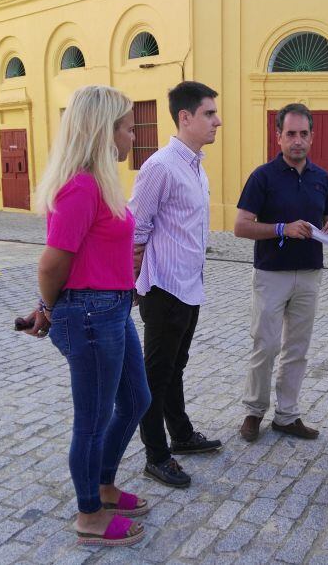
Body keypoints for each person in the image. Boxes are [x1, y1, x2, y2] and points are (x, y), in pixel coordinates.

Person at [24, 85, 152, 546]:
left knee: (137, 399)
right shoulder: (80, 186)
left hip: (113, 307)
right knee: (93, 420)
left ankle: (103, 483)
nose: (132, 136)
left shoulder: (100, 183)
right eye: (127, 127)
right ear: (104, 132)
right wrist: (48, 307)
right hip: (90, 315)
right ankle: (89, 515)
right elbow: (51, 262)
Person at [129, 81, 223, 489]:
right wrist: (135, 285)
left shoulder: (195, 166)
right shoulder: (160, 166)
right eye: (208, 113)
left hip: (190, 285)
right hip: (164, 288)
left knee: (175, 367)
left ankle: (181, 435)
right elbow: (136, 231)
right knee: (155, 374)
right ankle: (156, 455)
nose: (217, 120)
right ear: (185, 118)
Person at [234, 102, 328, 442]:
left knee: (297, 348)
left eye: (304, 134)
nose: (298, 140)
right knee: (265, 345)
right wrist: (282, 228)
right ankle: (253, 411)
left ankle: (287, 415)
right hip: (271, 274)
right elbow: (240, 226)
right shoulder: (262, 177)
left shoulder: (321, 178)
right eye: (290, 134)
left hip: (309, 273)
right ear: (278, 136)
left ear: (312, 137)